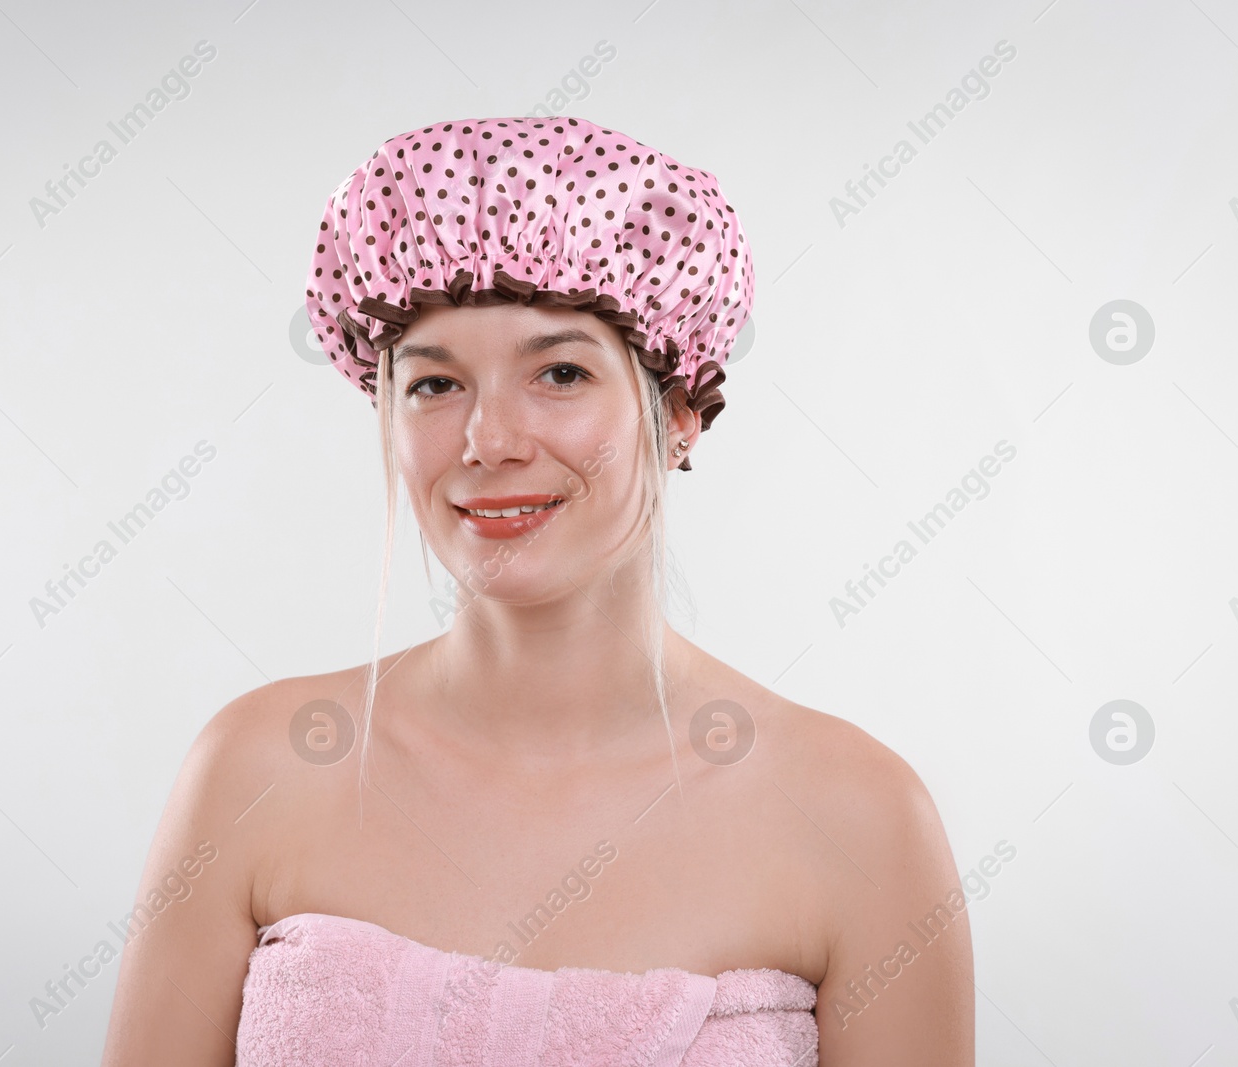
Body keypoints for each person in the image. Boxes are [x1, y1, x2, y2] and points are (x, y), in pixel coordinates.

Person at [101, 116, 972, 1066]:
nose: (489, 440)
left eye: (559, 372)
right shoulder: (254, 770)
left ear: (680, 412)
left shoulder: (860, 817)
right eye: (435, 385)